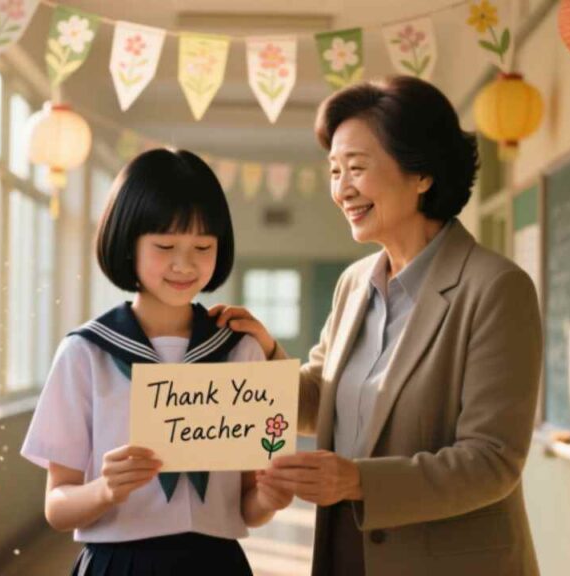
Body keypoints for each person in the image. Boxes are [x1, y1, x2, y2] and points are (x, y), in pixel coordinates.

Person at [212, 76, 543, 575]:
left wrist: (357, 481)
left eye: (357, 168)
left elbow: (492, 461)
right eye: (334, 170)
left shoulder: (495, 288)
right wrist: (266, 352)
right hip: (348, 550)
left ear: (422, 174)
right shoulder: (354, 284)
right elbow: (322, 403)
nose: (342, 189)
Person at [21, 148, 292, 576]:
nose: (185, 264)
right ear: (127, 244)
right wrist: (105, 490)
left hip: (216, 564)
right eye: (165, 245)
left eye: (203, 246)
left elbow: (246, 505)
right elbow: (57, 506)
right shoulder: (86, 354)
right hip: (117, 564)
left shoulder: (240, 351)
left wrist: (270, 499)